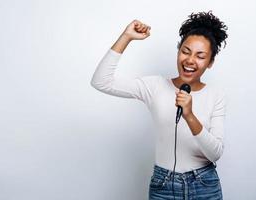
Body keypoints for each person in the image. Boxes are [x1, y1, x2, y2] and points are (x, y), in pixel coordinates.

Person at [91, 11, 228, 200]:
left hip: (204, 185)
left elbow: (215, 154)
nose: (189, 60)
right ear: (179, 51)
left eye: (200, 56)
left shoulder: (216, 95)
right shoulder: (154, 86)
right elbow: (101, 81)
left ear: (210, 62)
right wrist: (126, 37)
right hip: (164, 186)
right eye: (185, 51)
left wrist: (189, 116)